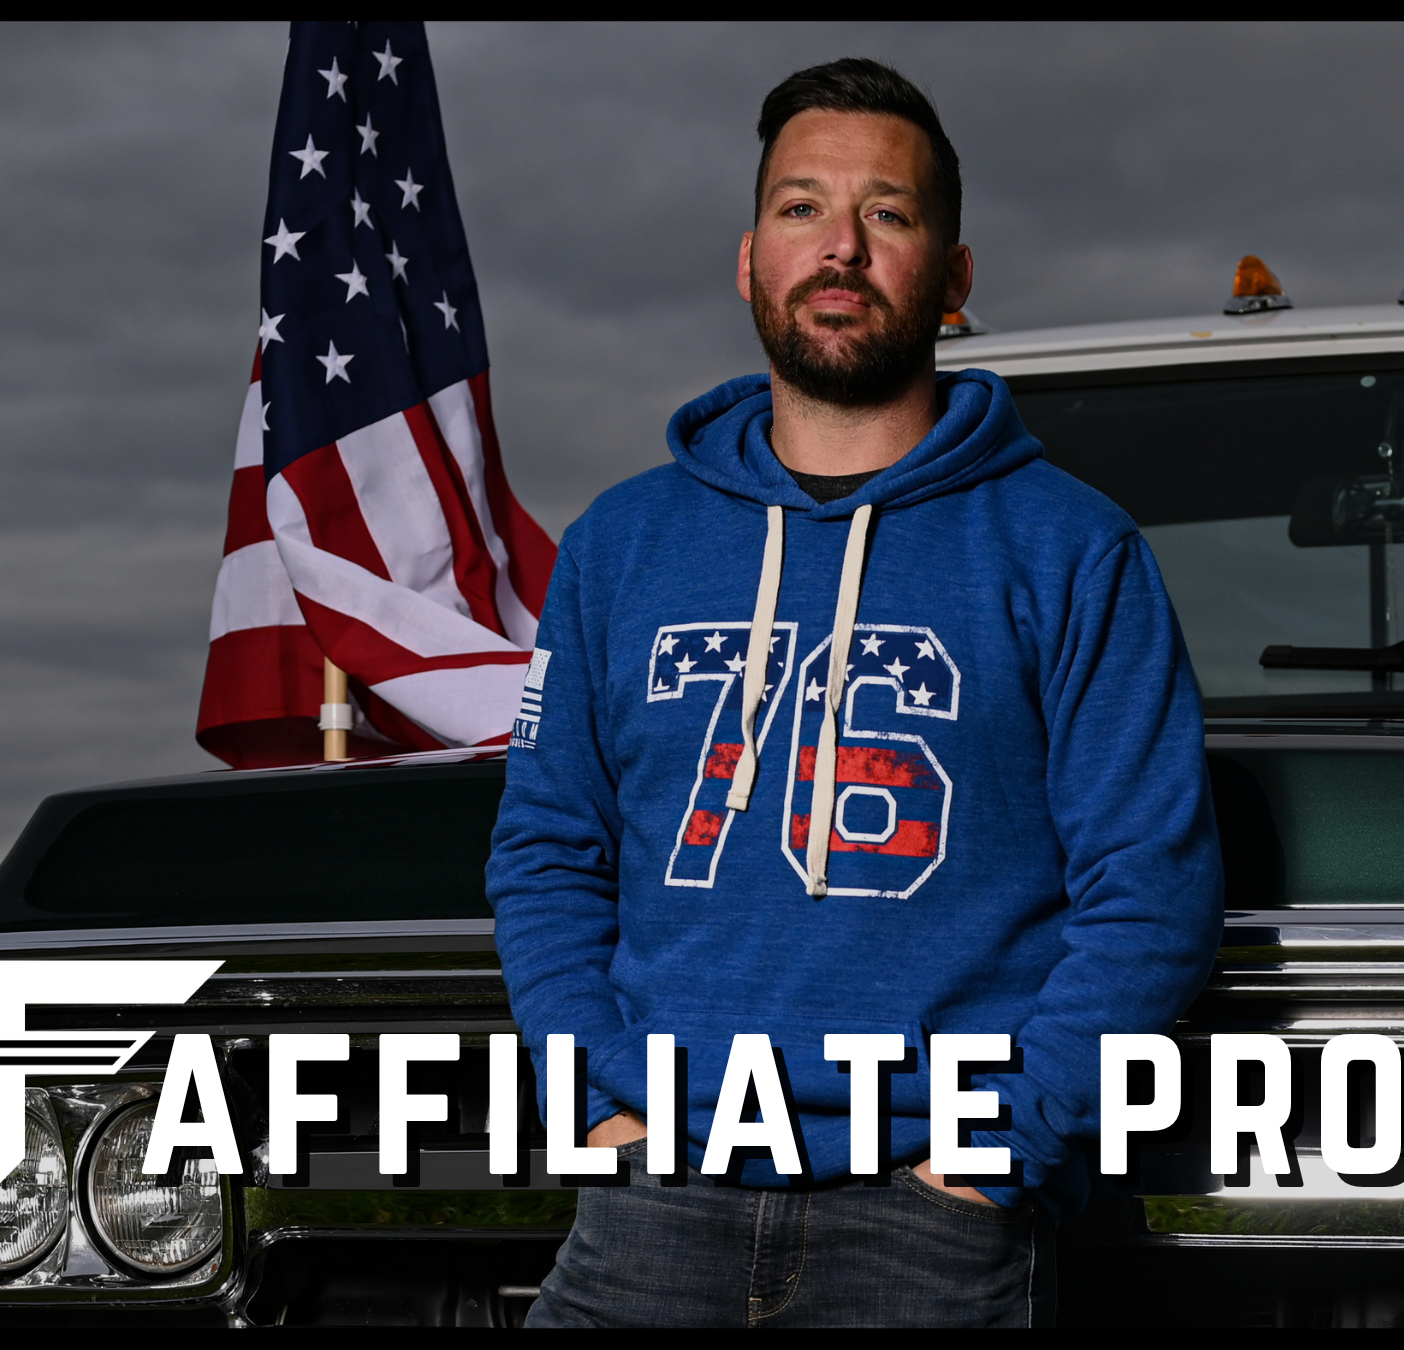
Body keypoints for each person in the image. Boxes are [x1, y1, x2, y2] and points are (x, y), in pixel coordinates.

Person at [486, 57, 1221, 1328]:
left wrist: (993, 1155)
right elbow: (547, 848)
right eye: (800, 209)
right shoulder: (621, 545)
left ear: (952, 273)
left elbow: (1153, 887)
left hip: (930, 1227)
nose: (841, 246)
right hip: (653, 1197)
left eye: (887, 214)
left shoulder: (1068, 546)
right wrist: (598, 1100)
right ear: (748, 260)